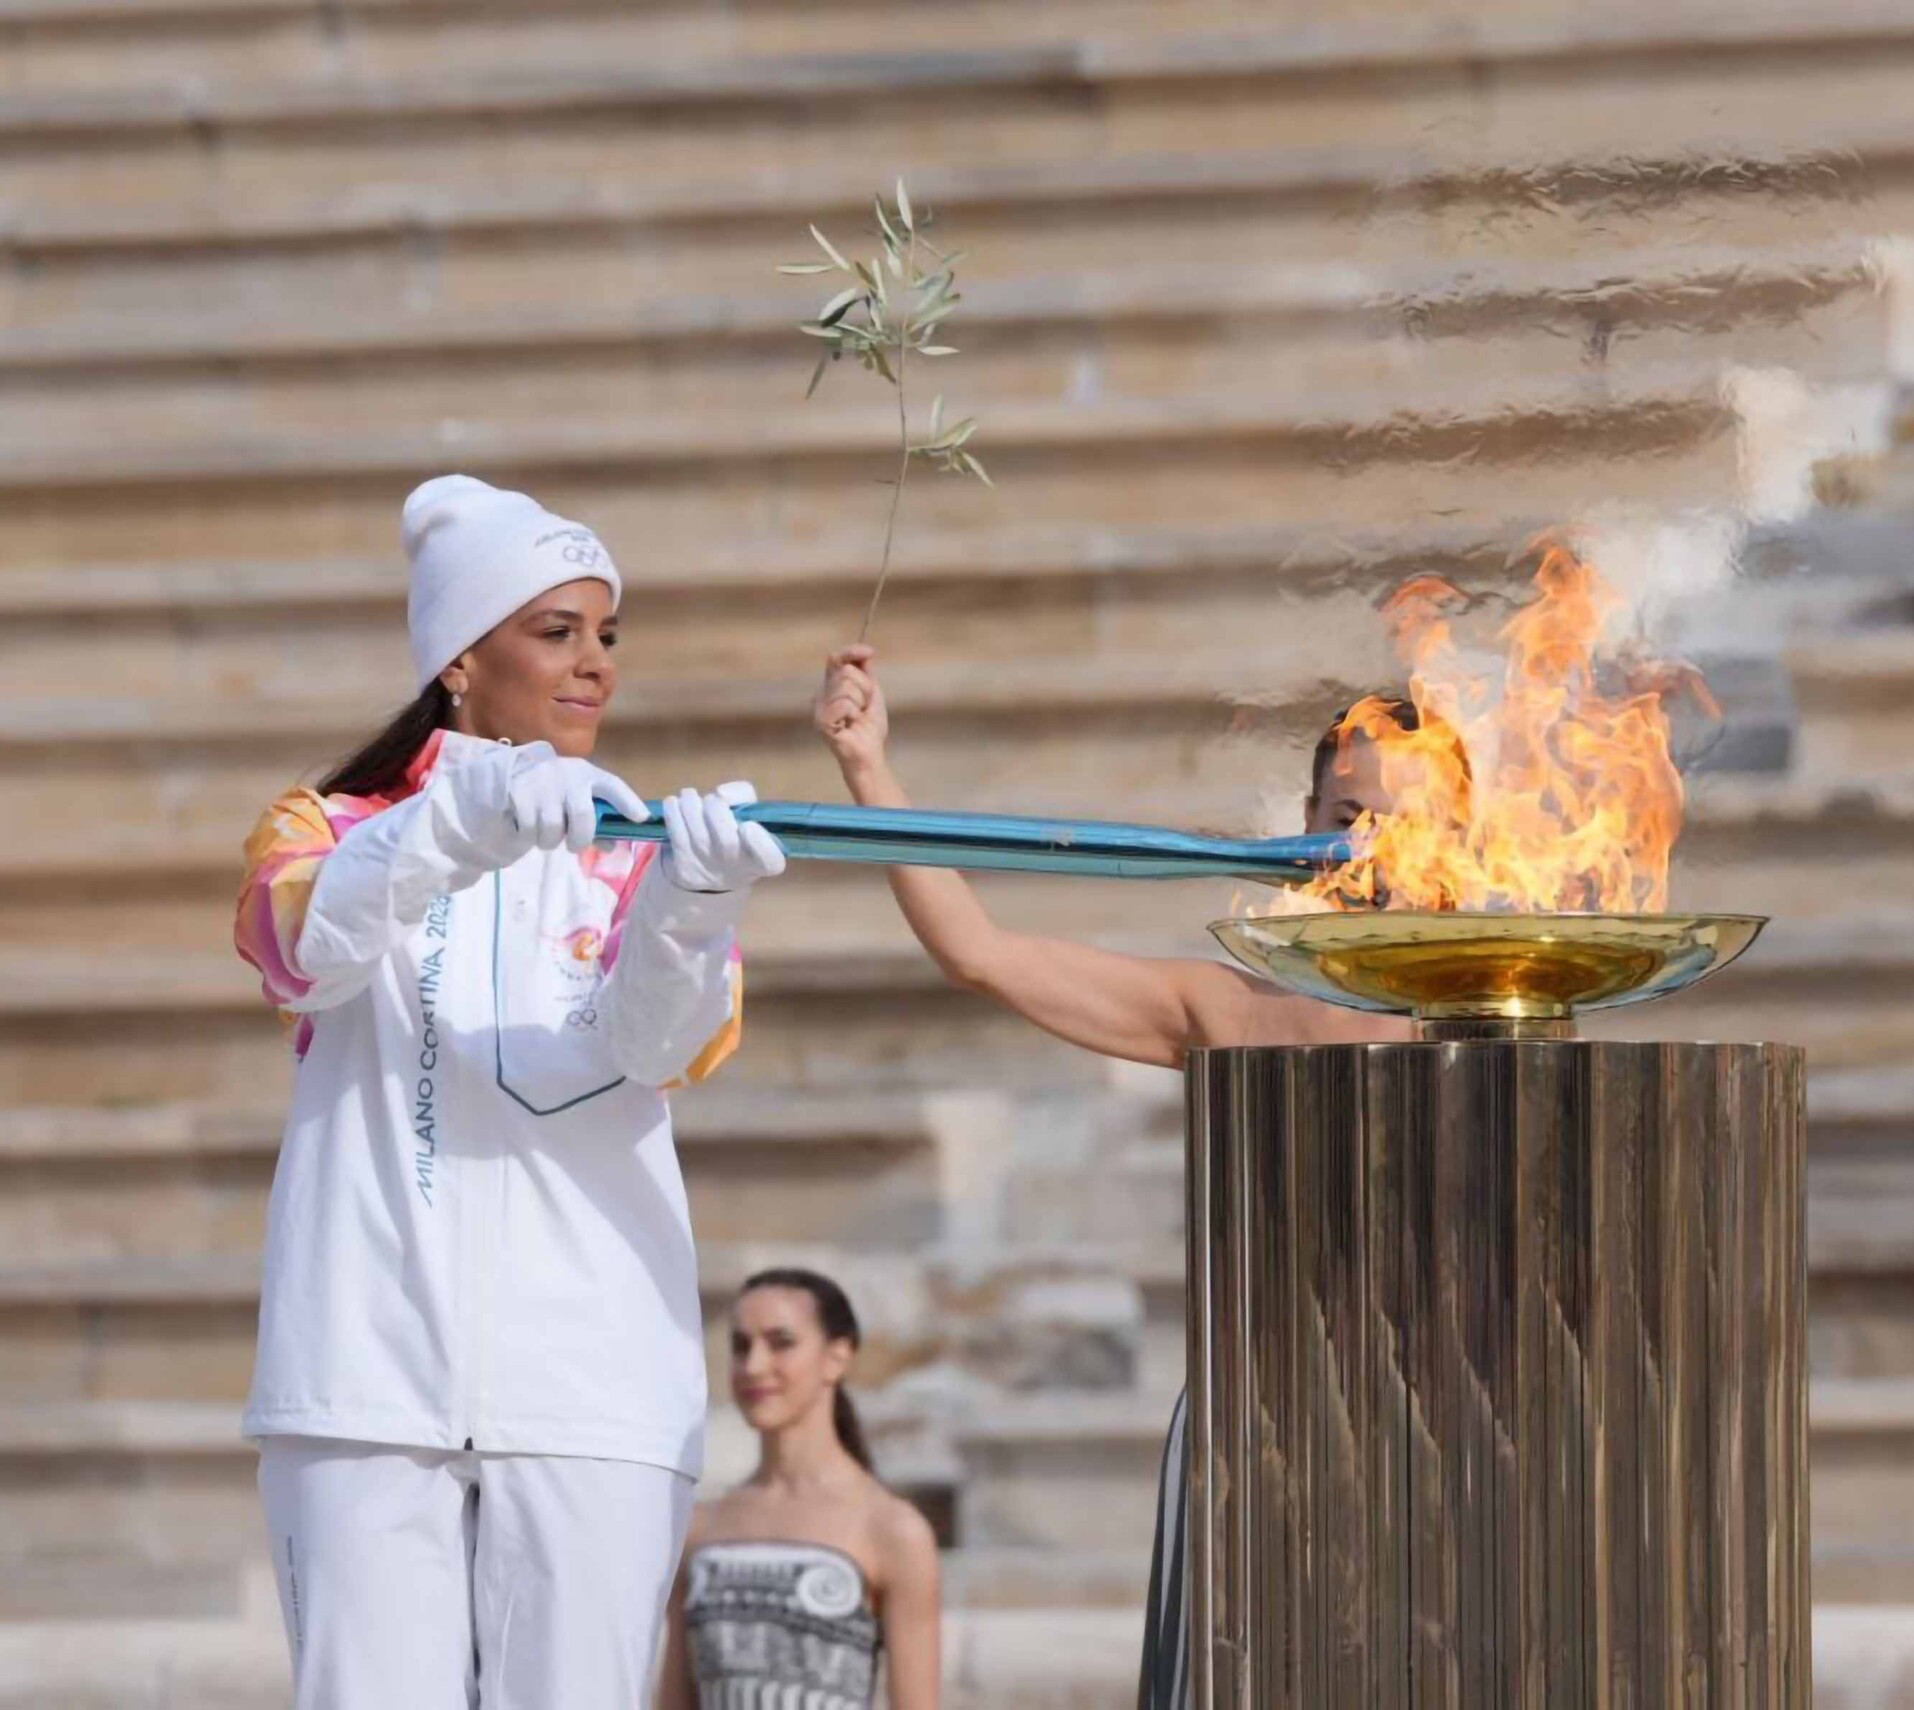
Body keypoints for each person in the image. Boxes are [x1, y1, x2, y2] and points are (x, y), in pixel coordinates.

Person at [232, 474, 788, 1710]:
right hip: (361, 1381)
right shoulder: (325, 827)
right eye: (555, 632)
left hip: (592, 1388)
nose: (593, 664)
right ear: (458, 663)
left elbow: (656, 1048)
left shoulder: (632, 841)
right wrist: (452, 821)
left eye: (606, 635)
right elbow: (301, 949)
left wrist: (691, 910)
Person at [810, 644, 1414, 1710]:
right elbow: (979, 952)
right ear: (1307, 819)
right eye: (1348, 808)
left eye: (1404, 814)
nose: (1370, 839)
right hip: (1259, 1427)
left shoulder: (1513, 1000)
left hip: (1453, 1425)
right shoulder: (1232, 1012)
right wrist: (869, 768)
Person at [660, 1269, 942, 1710]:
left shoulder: (893, 1530)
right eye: (740, 1346)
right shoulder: (700, 1528)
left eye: (781, 1343)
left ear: (838, 1356)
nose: (753, 1365)